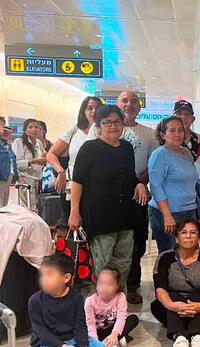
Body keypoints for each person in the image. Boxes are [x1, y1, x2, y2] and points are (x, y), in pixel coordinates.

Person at [69, 105, 148, 292]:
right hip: (100, 217)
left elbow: (129, 176)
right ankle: (97, 310)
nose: (113, 126)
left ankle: (117, 306)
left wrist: (138, 183)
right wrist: (74, 212)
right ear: (99, 125)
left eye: (117, 122)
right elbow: (77, 182)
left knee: (123, 264)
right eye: (107, 122)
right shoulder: (90, 148)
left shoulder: (126, 148)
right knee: (101, 266)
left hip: (126, 217)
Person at [115, 90, 159, 305]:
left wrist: (137, 182)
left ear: (139, 106)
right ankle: (112, 286)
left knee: (137, 242)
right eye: (125, 100)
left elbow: (153, 164)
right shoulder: (108, 131)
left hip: (138, 195)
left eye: (133, 101)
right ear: (117, 103)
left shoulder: (149, 134)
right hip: (112, 196)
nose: (129, 104)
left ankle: (132, 285)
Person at [29, 253, 107, 347]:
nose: (43, 279)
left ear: (66, 278)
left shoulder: (76, 297)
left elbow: (80, 325)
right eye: (42, 274)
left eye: (49, 274)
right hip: (46, 344)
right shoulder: (35, 301)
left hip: (71, 339)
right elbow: (41, 332)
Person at [152, 219, 200, 347]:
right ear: (176, 238)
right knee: (173, 295)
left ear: (199, 238)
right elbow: (160, 287)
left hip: (197, 305)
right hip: (170, 306)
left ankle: (197, 340)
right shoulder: (165, 257)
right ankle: (179, 340)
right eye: (183, 232)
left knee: (196, 295)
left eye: (193, 233)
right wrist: (172, 305)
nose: (188, 236)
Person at [148, 116, 200, 253]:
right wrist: (167, 215)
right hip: (168, 214)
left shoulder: (186, 152)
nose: (177, 134)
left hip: (189, 212)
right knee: (170, 257)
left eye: (180, 130)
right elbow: (155, 186)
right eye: (172, 130)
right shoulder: (159, 155)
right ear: (162, 134)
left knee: (190, 255)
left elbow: (195, 179)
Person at [47, 96, 102, 221]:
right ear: (83, 111)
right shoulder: (75, 130)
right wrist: (60, 171)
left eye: (97, 109)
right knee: (72, 223)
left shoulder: (104, 131)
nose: (93, 112)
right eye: (90, 108)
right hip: (72, 185)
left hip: (96, 185)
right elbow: (51, 154)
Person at [84, 267, 140, 347]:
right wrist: (95, 343)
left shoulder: (120, 297)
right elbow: (90, 323)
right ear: (96, 285)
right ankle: (115, 341)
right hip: (98, 330)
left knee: (133, 319)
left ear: (117, 285)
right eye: (101, 283)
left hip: (113, 328)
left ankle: (115, 339)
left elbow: (121, 318)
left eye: (109, 284)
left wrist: (114, 334)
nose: (104, 288)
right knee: (82, 329)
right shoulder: (90, 301)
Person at [12, 118, 47, 211]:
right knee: (29, 209)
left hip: (38, 179)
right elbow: (16, 163)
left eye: (36, 127)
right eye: (30, 127)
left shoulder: (39, 143)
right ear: (25, 130)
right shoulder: (19, 142)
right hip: (25, 179)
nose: (34, 129)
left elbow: (43, 158)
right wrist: (32, 161)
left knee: (37, 208)